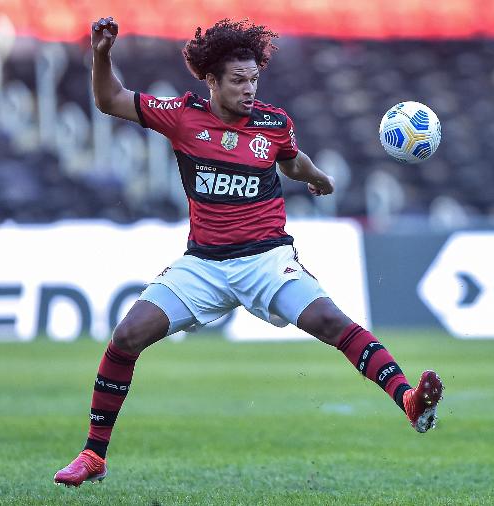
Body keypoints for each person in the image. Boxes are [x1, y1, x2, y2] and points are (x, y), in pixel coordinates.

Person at [54, 17, 443, 487]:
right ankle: (94, 455)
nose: (249, 89)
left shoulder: (274, 124)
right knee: (127, 336)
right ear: (211, 80)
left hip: (266, 260)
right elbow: (108, 99)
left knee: (332, 322)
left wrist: (317, 177)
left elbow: (291, 160)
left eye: (254, 78)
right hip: (203, 264)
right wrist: (101, 54)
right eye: (238, 80)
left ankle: (407, 401)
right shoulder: (181, 116)